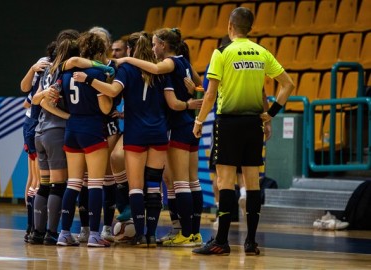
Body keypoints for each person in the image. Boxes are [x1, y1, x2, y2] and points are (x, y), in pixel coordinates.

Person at [192, 7, 294, 256]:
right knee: (252, 183)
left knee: (225, 182)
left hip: (228, 124)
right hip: (253, 125)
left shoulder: (222, 52)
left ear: (230, 26)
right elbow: (288, 84)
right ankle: (250, 242)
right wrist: (270, 115)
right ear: (250, 28)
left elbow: (210, 93)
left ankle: (221, 242)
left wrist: (199, 121)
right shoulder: (261, 53)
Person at [115, 28, 204, 247]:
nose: (154, 48)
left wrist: (128, 59)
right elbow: (199, 82)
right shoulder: (184, 61)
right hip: (184, 126)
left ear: (164, 45)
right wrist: (193, 94)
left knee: (177, 183)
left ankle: (185, 233)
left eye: (156, 44)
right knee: (186, 182)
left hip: (174, 127)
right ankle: (188, 232)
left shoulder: (166, 67)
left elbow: (168, 94)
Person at [55, 31, 112, 248]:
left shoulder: (67, 74)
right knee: (96, 184)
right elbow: (105, 108)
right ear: (99, 51)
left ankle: (64, 233)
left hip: (72, 129)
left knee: (74, 183)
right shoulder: (96, 74)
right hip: (92, 129)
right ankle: (95, 235)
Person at [29, 29, 80, 245]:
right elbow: (44, 100)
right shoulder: (65, 69)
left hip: (40, 131)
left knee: (45, 185)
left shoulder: (48, 69)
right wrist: (69, 116)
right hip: (55, 131)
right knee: (58, 186)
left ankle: (37, 233)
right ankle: (51, 233)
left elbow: (35, 100)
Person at [20, 41, 54, 242]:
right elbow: (26, 89)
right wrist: (33, 69)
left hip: (32, 119)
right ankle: (33, 227)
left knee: (34, 176)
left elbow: (27, 95)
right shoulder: (47, 64)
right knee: (37, 177)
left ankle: (32, 227)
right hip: (37, 120)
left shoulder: (45, 63)